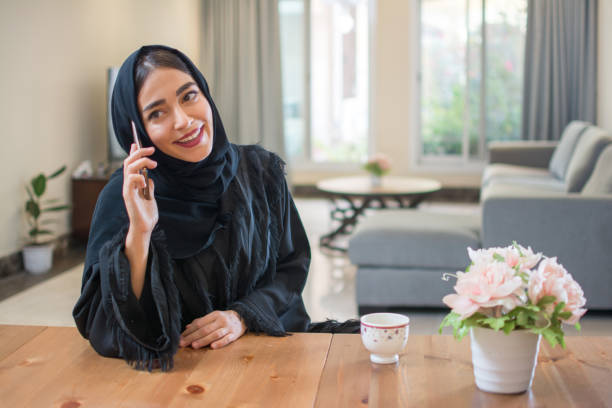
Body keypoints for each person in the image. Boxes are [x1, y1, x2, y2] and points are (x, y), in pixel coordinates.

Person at [73, 45, 358, 371]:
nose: (183, 120)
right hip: (184, 375)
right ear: (134, 131)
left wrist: (243, 315)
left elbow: (292, 265)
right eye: (157, 113)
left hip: (272, 362)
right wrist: (139, 232)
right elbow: (105, 327)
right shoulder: (125, 196)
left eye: (188, 96)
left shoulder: (260, 172)